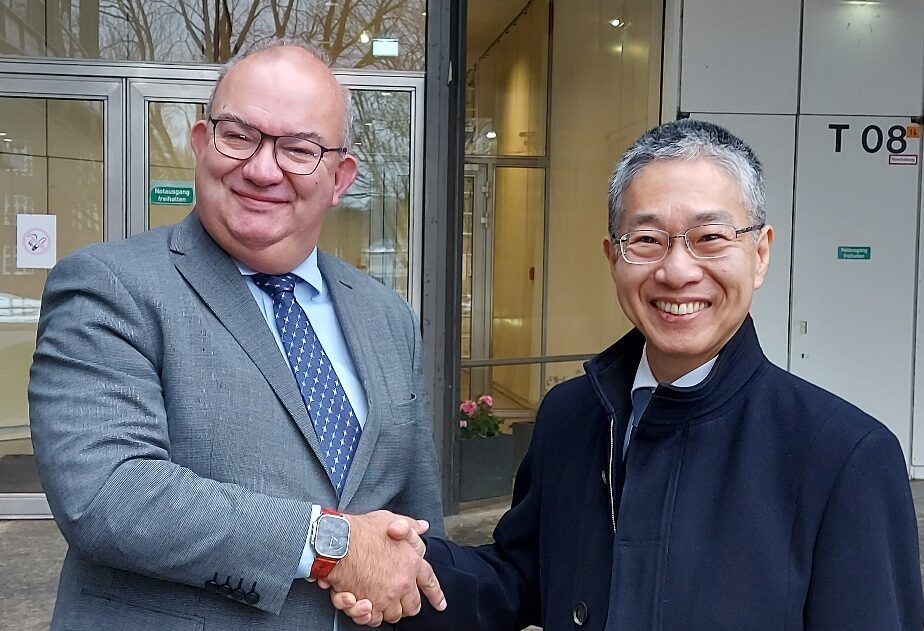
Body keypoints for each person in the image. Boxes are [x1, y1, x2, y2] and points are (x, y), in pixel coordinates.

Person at [335, 119, 924, 629]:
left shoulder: (843, 456)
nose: (676, 270)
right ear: (613, 256)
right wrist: (398, 566)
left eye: (710, 237)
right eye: (646, 239)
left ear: (761, 252)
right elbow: (517, 580)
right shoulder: (572, 417)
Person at [29, 39, 445, 631]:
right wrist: (332, 544)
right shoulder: (107, 286)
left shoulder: (386, 315)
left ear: (340, 177)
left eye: (300, 149)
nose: (262, 169)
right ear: (201, 143)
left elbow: (415, 520)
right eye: (238, 136)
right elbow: (109, 493)